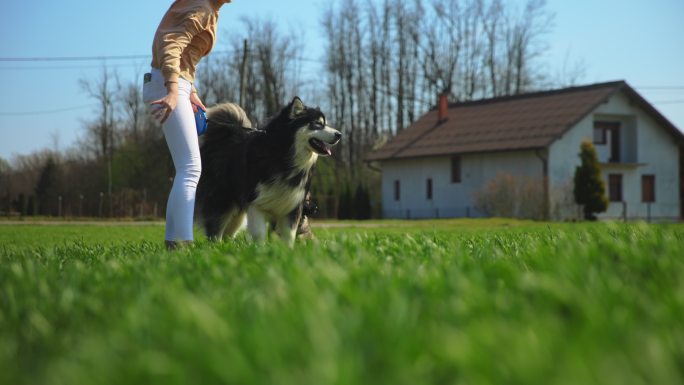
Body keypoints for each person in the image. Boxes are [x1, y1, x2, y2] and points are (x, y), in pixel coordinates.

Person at [143, 0, 232, 250]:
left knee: (188, 168)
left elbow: (186, 54)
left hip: (177, 83)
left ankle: (174, 240)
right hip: (167, 84)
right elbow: (169, 43)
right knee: (191, 169)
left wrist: (189, 89)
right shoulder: (201, 7)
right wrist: (173, 89)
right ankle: (182, 242)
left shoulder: (210, 9)